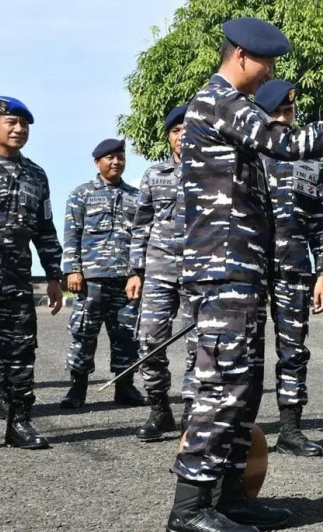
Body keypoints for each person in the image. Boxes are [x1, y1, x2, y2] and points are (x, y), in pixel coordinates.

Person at [167, 17, 323, 532]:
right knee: (222, 386)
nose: (270, 72)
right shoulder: (217, 103)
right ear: (240, 57)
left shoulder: (235, 108)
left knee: (246, 387)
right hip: (222, 272)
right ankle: (189, 509)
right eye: (266, 62)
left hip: (245, 272)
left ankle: (228, 496)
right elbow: (287, 142)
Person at [254, 80, 323, 457]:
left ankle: (289, 430)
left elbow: (321, 223)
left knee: (294, 351)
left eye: (290, 113)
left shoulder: (311, 164)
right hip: (251, 270)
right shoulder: (248, 157)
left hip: (296, 271)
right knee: (244, 352)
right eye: (278, 114)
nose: (285, 119)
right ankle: (237, 430)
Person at [0, 96, 64, 449]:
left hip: (16, 281)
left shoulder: (36, 175)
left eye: (24, 124)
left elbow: (46, 230)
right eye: (11, 122)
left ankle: (19, 423)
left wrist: (55, 276)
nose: (19, 129)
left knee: (20, 353)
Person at [60, 138, 147, 409]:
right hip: (91, 280)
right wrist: (72, 269)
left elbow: (141, 237)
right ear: (97, 161)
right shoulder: (81, 194)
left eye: (120, 157)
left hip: (125, 280)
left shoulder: (136, 196)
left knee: (126, 335)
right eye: (110, 157)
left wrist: (137, 273)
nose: (116, 161)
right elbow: (71, 234)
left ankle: (125, 386)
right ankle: (77, 388)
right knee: (84, 334)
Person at [126, 105, 194, 441]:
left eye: (188, 129)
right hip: (158, 270)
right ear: (169, 137)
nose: (182, 136)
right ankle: (158, 408)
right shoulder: (154, 175)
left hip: (199, 272)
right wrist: (135, 271)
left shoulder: (212, 172)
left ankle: (191, 412)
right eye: (176, 130)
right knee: (149, 339)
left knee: (199, 345)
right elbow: (141, 225)